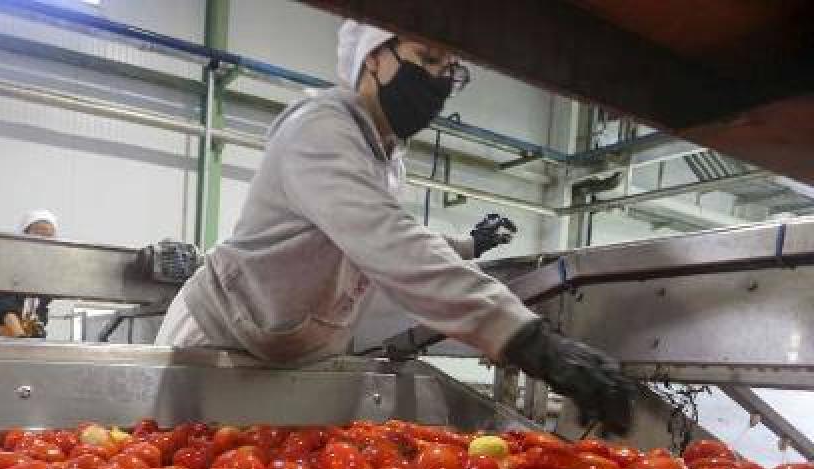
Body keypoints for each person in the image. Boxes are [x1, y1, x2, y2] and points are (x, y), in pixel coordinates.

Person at [155, 21, 633, 433]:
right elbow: (389, 242)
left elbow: (379, 238)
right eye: (427, 59)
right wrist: (526, 338)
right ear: (373, 57)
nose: (438, 80)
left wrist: (468, 244)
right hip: (220, 343)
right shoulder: (319, 130)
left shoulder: (385, 159)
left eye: (449, 70)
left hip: (291, 353)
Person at [0, 210, 57, 338]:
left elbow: (40, 309)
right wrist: (21, 339)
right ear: (24, 236)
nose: (44, 241)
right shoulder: (11, 264)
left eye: (49, 236)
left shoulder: (47, 273)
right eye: (39, 234)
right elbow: (5, 309)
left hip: (21, 332)